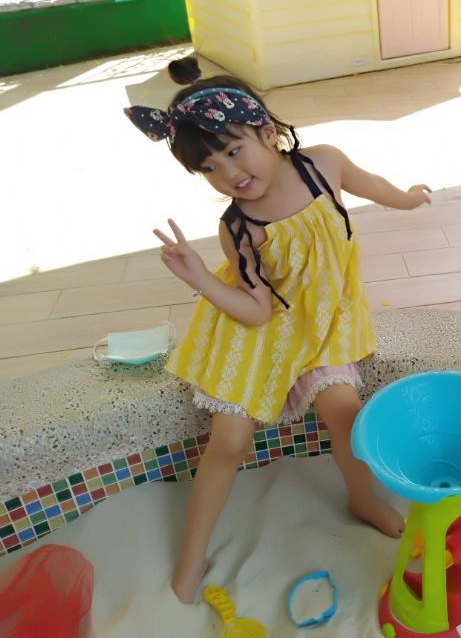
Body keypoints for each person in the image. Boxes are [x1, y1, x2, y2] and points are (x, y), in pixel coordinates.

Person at [125, 56, 432, 603]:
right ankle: (193, 555)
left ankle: (363, 498)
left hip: (323, 323)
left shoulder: (323, 164)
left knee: (344, 411)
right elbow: (257, 312)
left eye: (233, 150)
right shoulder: (237, 225)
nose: (228, 174)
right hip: (259, 330)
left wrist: (407, 197)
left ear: (267, 130)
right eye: (209, 168)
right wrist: (200, 278)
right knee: (230, 440)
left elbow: (371, 185)